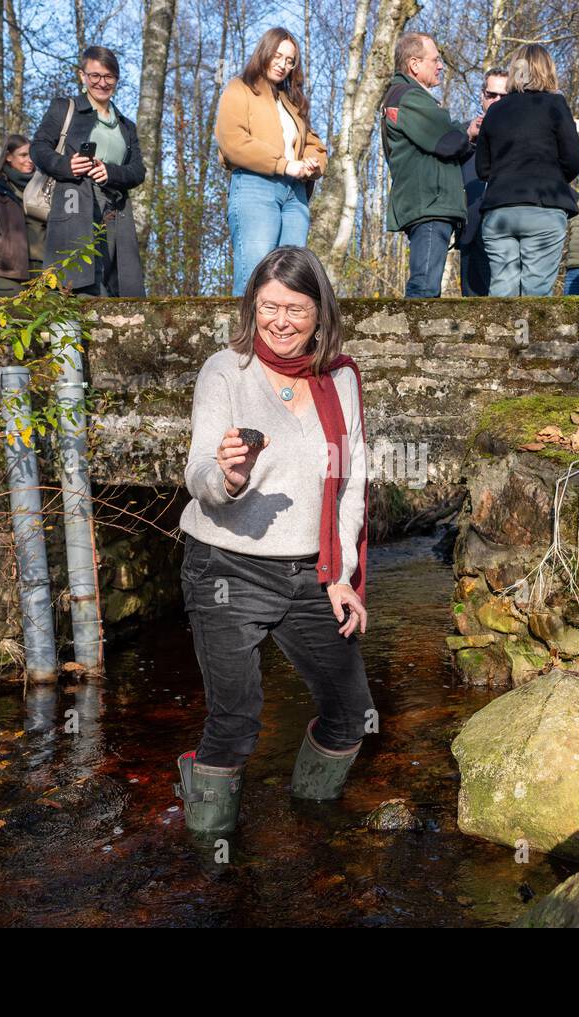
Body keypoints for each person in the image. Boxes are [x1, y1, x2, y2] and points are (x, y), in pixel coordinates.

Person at [174, 246, 374, 836]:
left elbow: (352, 481)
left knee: (352, 716)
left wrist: (340, 574)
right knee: (236, 723)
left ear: (320, 313)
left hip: (311, 572)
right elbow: (199, 477)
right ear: (251, 307)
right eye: (268, 307)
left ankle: (311, 834)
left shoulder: (341, 379)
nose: (280, 321)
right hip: (225, 568)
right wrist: (230, 477)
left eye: (295, 308)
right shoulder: (224, 371)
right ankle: (208, 865)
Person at [215, 27, 328, 297]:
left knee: (291, 281)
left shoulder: (291, 101)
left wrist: (311, 165)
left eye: (290, 61)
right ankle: (241, 340)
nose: (283, 65)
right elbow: (232, 142)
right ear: (264, 52)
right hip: (255, 187)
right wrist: (284, 164)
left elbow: (315, 144)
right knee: (254, 277)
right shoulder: (239, 88)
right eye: (278, 56)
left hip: (295, 195)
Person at [30, 45, 146, 297]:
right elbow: (38, 148)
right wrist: (65, 165)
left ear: (116, 79)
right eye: (95, 75)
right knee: (74, 283)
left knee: (118, 286)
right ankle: (67, 336)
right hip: (74, 203)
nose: (102, 83)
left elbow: (138, 171)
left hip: (115, 210)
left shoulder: (126, 126)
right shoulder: (64, 108)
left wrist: (111, 172)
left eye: (109, 76)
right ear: (82, 76)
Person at [475, 44, 579, 297]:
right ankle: (529, 337)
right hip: (543, 206)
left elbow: (482, 168)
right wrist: (554, 179)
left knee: (502, 291)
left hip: (499, 209)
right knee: (536, 295)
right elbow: (574, 158)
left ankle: (501, 337)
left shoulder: (495, 111)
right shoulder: (555, 104)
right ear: (547, 71)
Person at [379, 32, 481, 298]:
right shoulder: (408, 97)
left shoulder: (410, 97)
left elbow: (442, 135)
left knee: (428, 285)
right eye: (435, 60)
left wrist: (466, 131)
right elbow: (446, 140)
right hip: (429, 205)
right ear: (414, 64)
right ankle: (413, 339)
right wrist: (462, 134)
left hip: (430, 203)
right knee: (423, 288)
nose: (440, 66)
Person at [0, 134, 46, 295]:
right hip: (9, 271)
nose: (30, 160)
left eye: (32, 155)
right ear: (9, 157)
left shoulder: (44, 187)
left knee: (51, 319)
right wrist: (1, 244)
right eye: (23, 155)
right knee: (14, 320)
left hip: (47, 269)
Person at [459, 67, 508, 296]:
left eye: (504, 96)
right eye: (491, 95)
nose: (497, 101)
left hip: (508, 235)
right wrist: (467, 138)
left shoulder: (523, 136)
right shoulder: (464, 134)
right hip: (471, 234)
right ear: (482, 96)